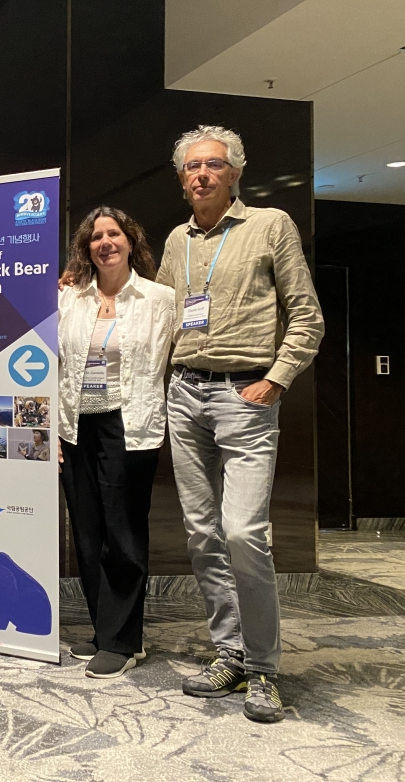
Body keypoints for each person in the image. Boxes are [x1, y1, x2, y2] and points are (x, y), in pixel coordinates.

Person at [158, 126, 323, 723]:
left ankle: (264, 670)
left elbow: (307, 316)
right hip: (185, 392)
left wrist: (275, 379)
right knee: (201, 534)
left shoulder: (270, 225)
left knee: (242, 533)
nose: (202, 174)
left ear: (234, 174)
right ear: (182, 181)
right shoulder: (177, 239)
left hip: (245, 396)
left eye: (213, 165)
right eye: (192, 167)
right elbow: (165, 311)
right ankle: (228, 652)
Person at [58, 206, 175, 680]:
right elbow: (56, 364)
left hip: (130, 425)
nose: (105, 242)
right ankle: (107, 629)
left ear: (130, 241)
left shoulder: (159, 298)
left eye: (114, 234)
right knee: (86, 533)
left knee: (123, 533)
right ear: (86, 247)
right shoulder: (70, 299)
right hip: (76, 426)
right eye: (96, 236)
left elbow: (176, 355)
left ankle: (125, 641)